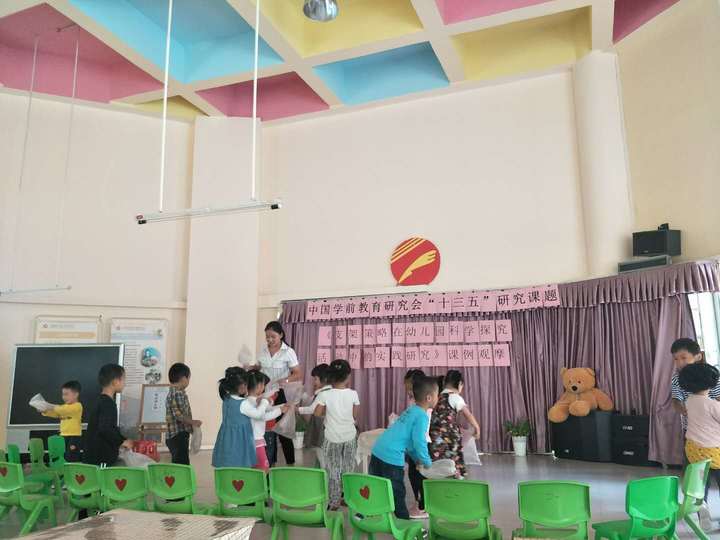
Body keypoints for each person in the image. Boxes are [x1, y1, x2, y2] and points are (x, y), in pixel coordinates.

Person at [370, 375, 439, 520]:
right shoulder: (422, 416)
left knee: (377, 487)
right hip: (391, 457)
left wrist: (416, 459)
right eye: (437, 395)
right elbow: (419, 441)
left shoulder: (411, 410)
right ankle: (403, 524)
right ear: (429, 398)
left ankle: (365, 512)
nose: (438, 398)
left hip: (378, 450)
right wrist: (426, 461)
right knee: (397, 493)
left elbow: (409, 443)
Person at [252, 321, 303, 466]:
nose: (269, 340)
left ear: (281, 335)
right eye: (267, 337)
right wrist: (252, 367)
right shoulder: (263, 350)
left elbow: (297, 373)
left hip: (281, 393)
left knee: (282, 428)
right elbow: (259, 367)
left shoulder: (288, 352)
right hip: (264, 392)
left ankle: (290, 462)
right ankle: (270, 461)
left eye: (273, 337)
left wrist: (285, 380)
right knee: (267, 428)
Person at [679, 362, 720, 531]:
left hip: (693, 449)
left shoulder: (689, 401)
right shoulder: (712, 404)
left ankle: (702, 508)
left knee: (701, 484)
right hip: (713, 450)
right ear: (710, 382)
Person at [314, 360, 360, 510]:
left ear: (330, 377)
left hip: (331, 437)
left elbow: (317, 413)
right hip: (350, 436)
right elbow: (354, 416)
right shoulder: (353, 394)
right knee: (348, 468)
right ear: (348, 376)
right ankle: (348, 498)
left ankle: (333, 503)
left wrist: (328, 414)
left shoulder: (324, 395)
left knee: (333, 469)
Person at [430, 370, 481, 479]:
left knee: (439, 460)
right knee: (454, 460)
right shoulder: (455, 397)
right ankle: (456, 479)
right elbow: (468, 414)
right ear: (460, 384)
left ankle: (438, 482)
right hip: (450, 437)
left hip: (434, 436)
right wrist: (477, 427)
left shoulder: (436, 396)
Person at [84, 364, 133, 466]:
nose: (125, 383)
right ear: (115, 382)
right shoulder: (108, 403)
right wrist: (122, 442)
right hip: (101, 457)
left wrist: (122, 439)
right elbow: (105, 428)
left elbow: (109, 427)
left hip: (95, 455)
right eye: (123, 379)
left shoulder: (100, 400)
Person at [241, 370, 287, 471]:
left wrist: (282, 407)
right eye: (263, 384)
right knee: (263, 468)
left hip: (250, 440)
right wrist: (280, 410)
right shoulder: (254, 401)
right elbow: (262, 416)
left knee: (253, 468)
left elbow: (268, 409)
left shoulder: (248, 401)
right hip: (256, 440)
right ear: (259, 386)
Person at [671, 338, 720, 431]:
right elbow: (676, 400)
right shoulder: (676, 379)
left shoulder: (710, 374)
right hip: (691, 428)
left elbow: (718, 398)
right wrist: (684, 411)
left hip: (713, 429)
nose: (679, 362)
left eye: (683, 358)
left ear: (698, 357)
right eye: (676, 359)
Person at [212, 370, 257, 468]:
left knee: (228, 461)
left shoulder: (226, 398)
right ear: (241, 386)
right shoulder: (243, 403)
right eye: (246, 384)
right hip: (240, 440)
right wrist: (265, 402)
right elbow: (258, 414)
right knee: (240, 462)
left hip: (226, 437)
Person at [402, 368, 431, 519]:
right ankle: (419, 501)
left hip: (421, 444)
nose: (407, 390)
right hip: (413, 444)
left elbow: (421, 431)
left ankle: (424, 506)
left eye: (409, 387)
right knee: (413, 474)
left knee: (421, 476)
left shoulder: (424, 403)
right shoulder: (413, 401)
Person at [165, 363, 201, 465]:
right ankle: (182, 475)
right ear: (184, 379)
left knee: (178, 461)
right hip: (178, 435)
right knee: (182, 463)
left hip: (172, 435)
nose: (189, 381)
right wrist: (192, 422)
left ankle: (177, 475)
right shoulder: (178, 393)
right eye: (189, 378)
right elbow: (179, 415)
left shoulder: (173, 392)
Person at [41, 381, 83, 462]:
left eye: (66, 394)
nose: (64, 397)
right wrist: (44, 411)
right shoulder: (64, 407)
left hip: (74, 437)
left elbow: (62, 410)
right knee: (63, 457)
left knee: (71, 457)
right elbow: (56, 413)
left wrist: (49, 405)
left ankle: (72, 470)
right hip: (63, 435)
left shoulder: (77, 406)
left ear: (76, 395)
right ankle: (64, 470)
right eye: (63, 394)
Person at [299, 364, 331, 467]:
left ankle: (323, 472)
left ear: (324, 379)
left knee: (321, 452)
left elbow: (312, 409)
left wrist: (296, 409)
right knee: (321, 453)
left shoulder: (323, 393)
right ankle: (320, 470)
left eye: (316, 379)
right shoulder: (325, 392)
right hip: (323, 426)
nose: (314, 382)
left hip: (321, 426)